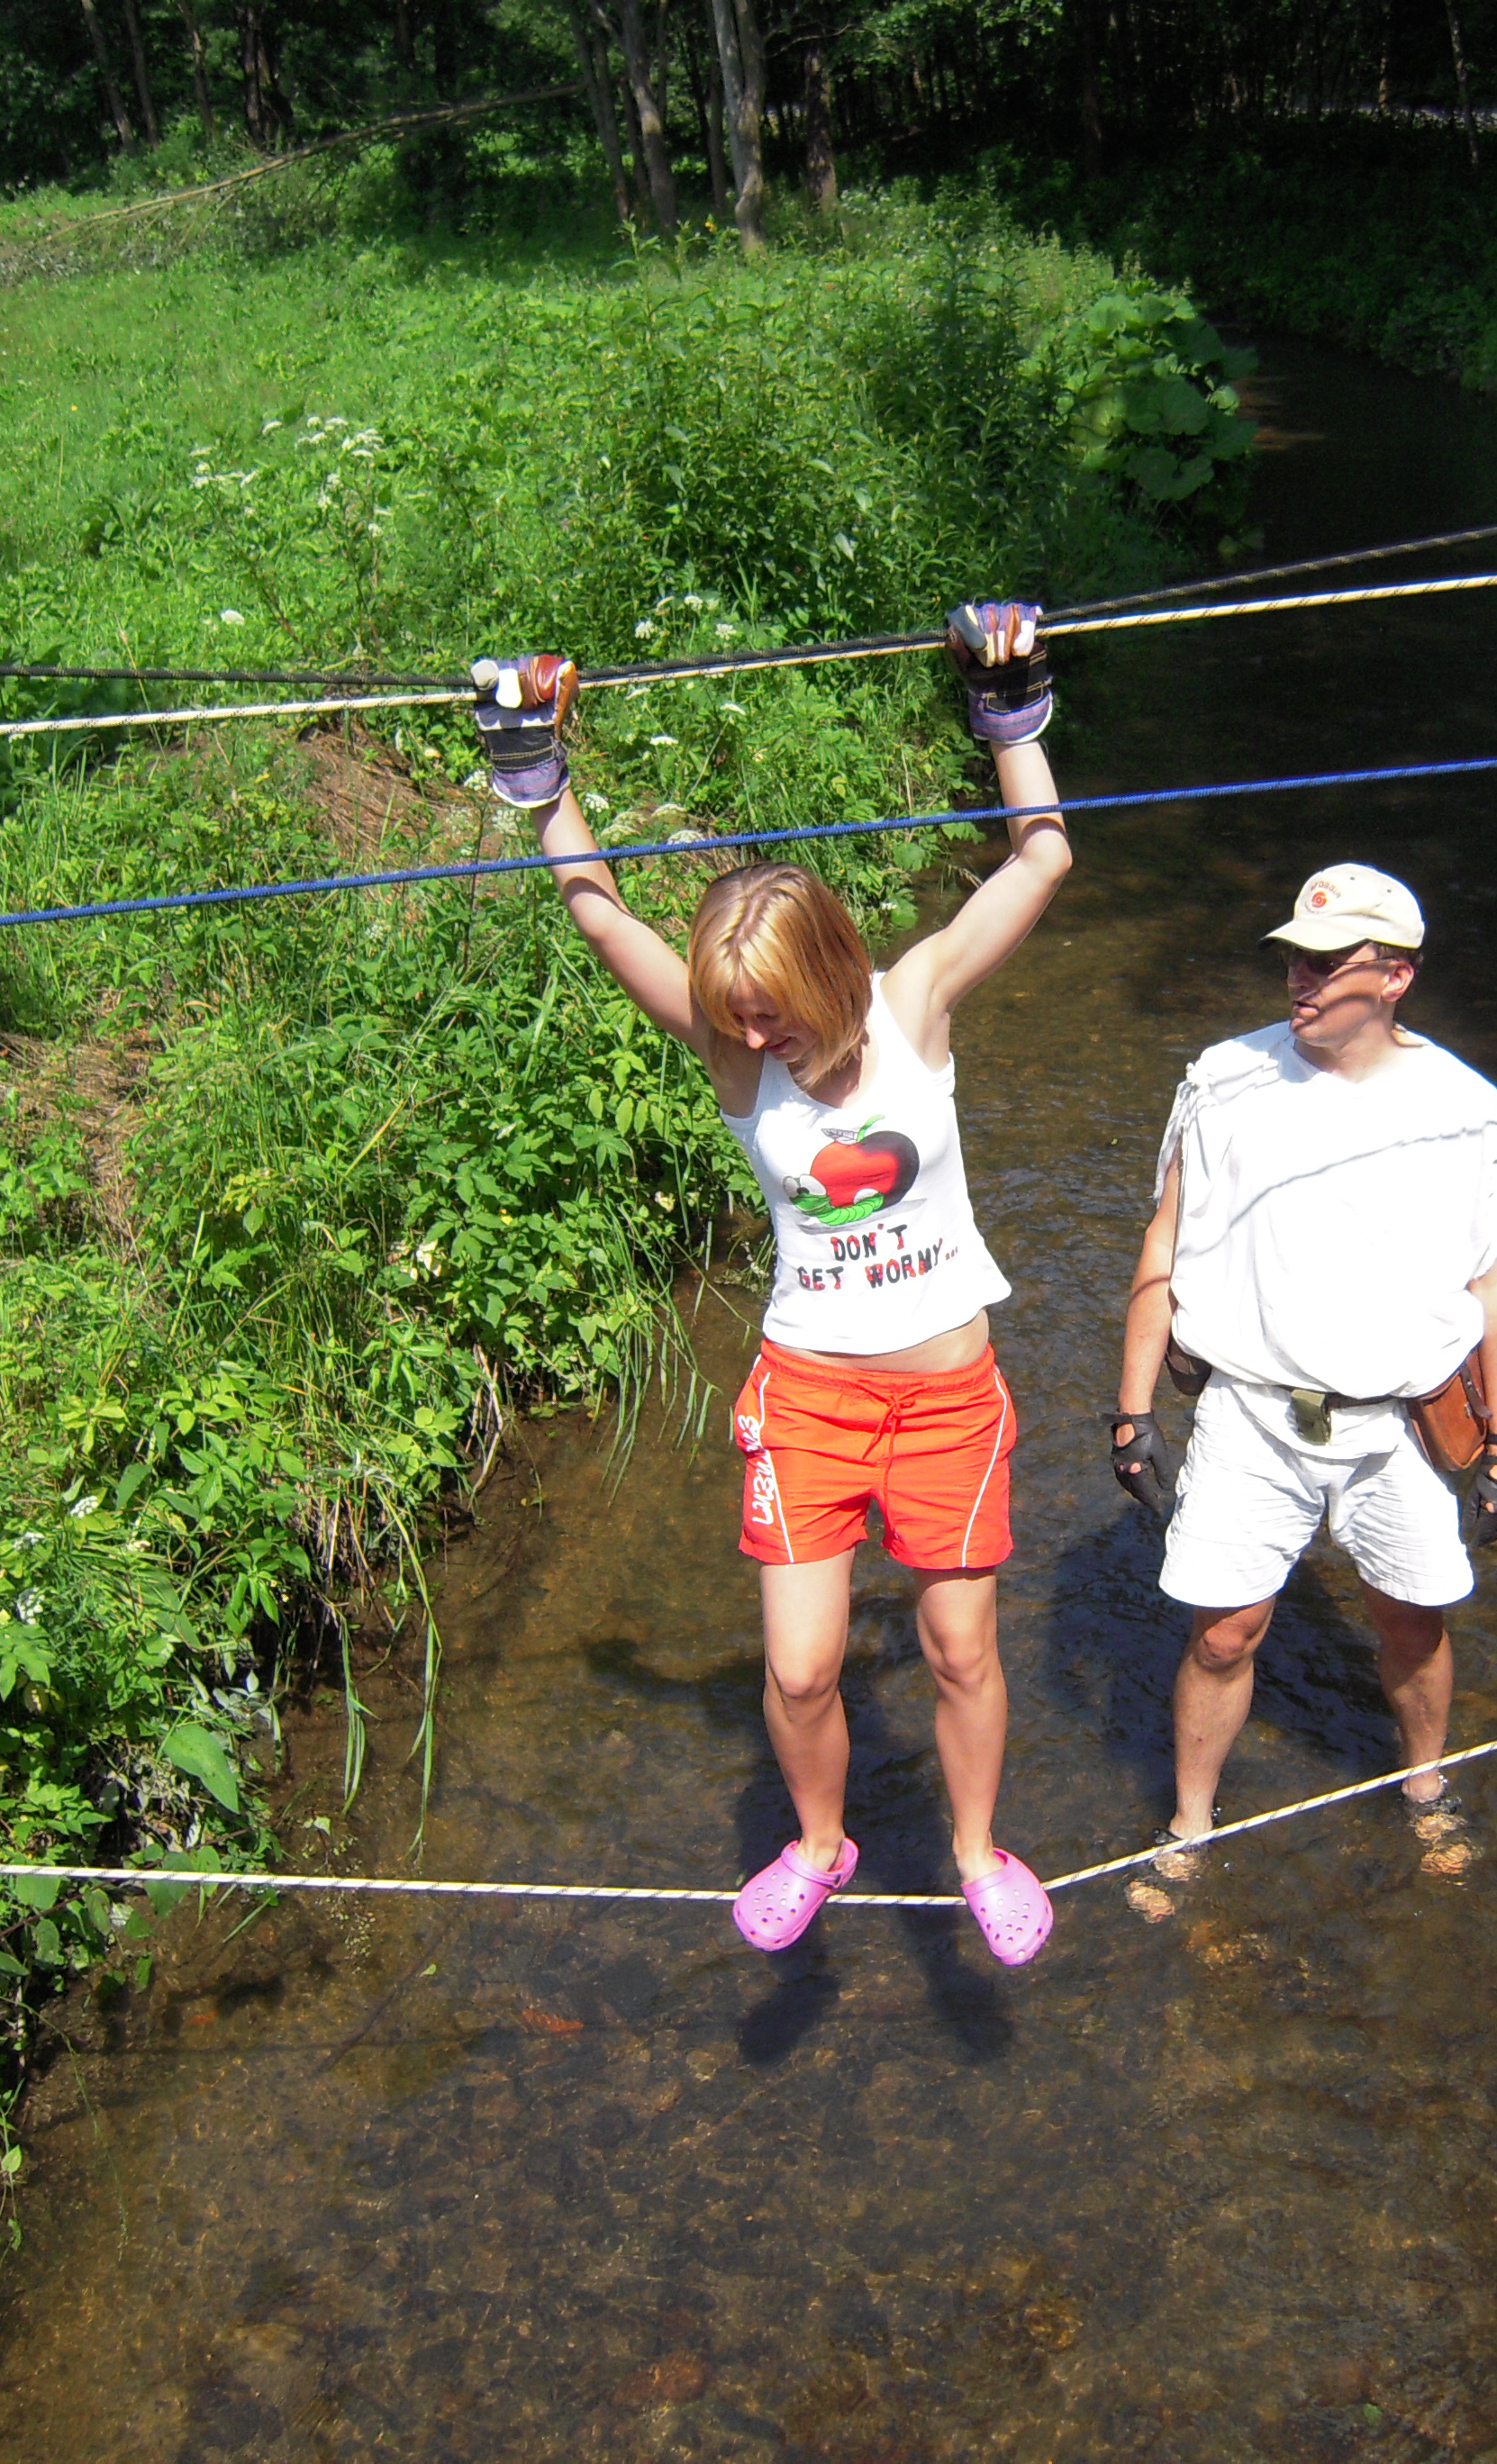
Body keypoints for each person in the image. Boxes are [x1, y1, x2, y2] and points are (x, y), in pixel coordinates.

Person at [472, 604, 1066, 1966]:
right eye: (734, 1015)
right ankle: (819, 1846)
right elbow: (601, 917)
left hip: (947, 1402)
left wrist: (1011, 702)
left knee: (960, 1652)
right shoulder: (736, 1059)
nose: (750, 1035)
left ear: (831, 973)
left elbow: (1042, 855)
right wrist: (536, 775)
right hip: (808, 1400)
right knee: (799, 1669)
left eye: (771, 1011)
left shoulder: (916, 1007)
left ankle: (979, 1853)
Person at [1109, 862, 1497, 1883]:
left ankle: (1425, 1785)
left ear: (1396, 977)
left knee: (1411, 1621)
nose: (1301, 978)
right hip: (1249, 1413)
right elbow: (1164, 1241)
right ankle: (1189, 1827)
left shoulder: (1467, 1108)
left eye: (1328, 962)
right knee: (1223, 1636)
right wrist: (1132, 1411)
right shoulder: (1222, 1079)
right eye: (1294, 958)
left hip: (1399, 1427)